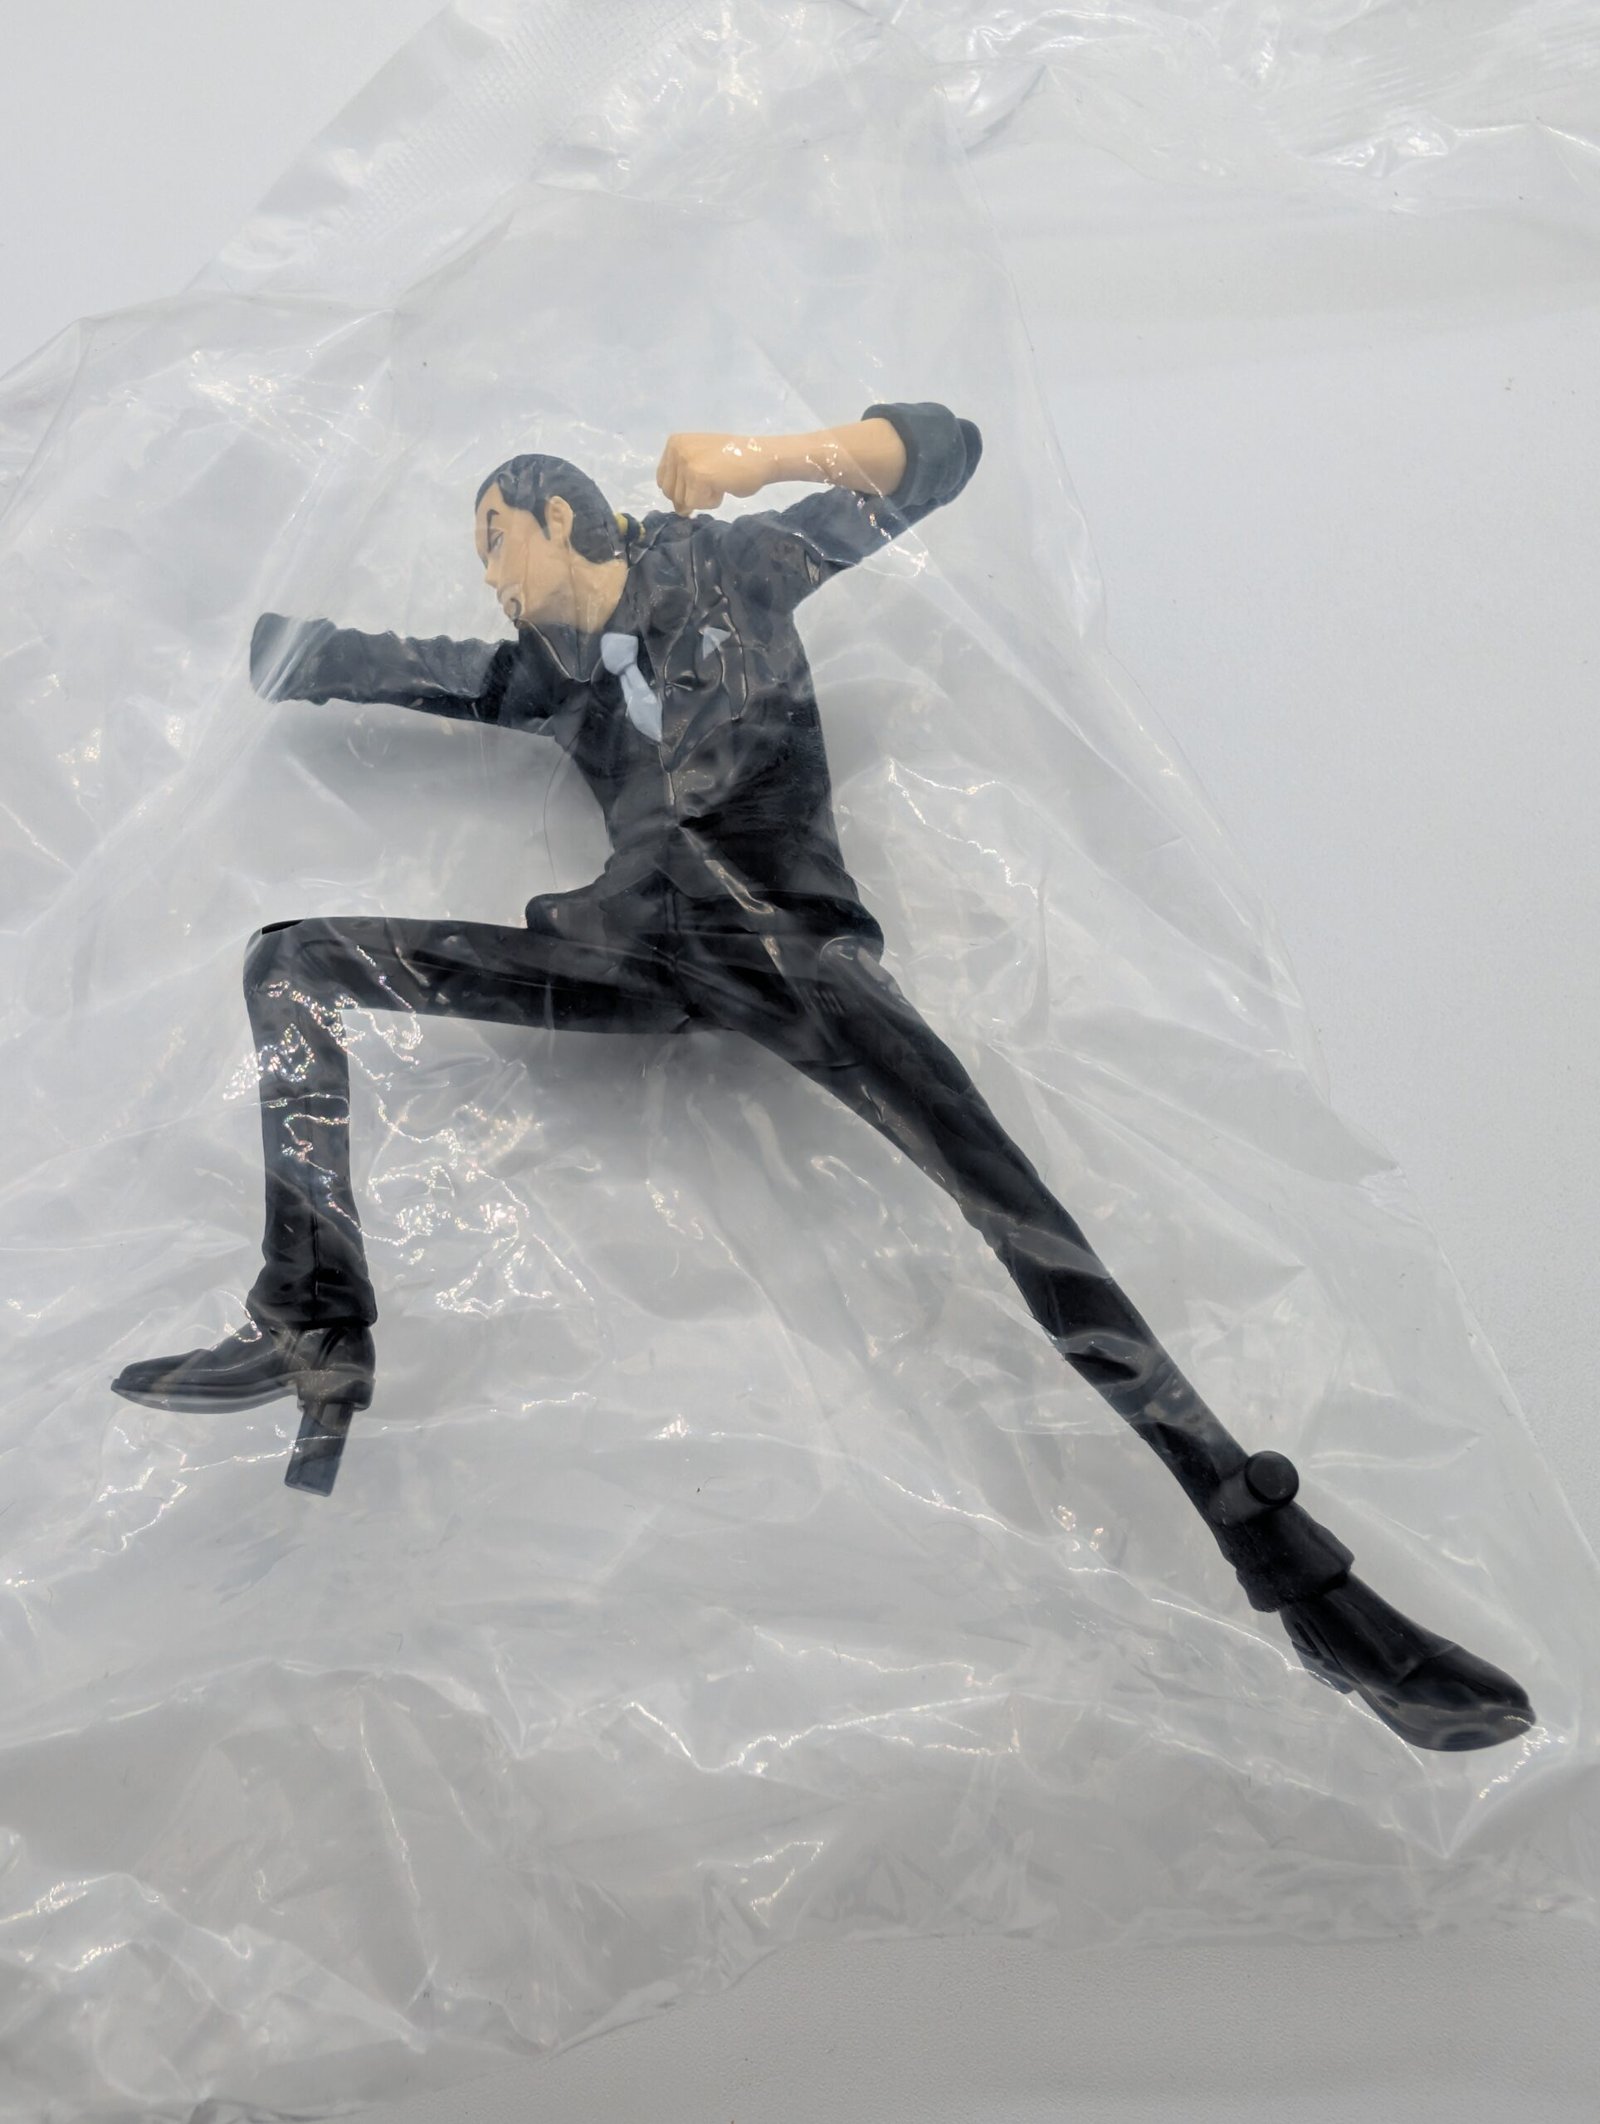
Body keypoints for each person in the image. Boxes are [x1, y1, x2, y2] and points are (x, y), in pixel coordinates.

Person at [112, 401, 1533, 1750]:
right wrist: (192, 599)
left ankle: (1293, 1569)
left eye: (495, 536)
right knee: (292, 962)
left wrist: (758, 457)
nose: (487, 574)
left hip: (796, 958)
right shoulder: (545, 677)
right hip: (641, 962)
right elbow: (357, 659)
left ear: (560, 516)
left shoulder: (736, 562)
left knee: (1032, 1233)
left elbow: (943, 454)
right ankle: (314, 1322)